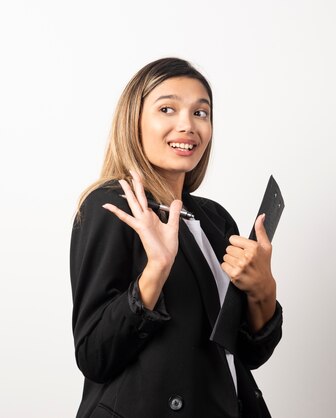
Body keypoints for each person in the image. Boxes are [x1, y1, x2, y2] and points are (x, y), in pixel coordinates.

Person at [69, 57, 283, 418]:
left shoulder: (213, 218)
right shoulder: (113, 205)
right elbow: (94, 355)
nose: (187, 126)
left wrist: (263, 288)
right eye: (167, 109)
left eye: (201, 113)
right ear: (133, 120)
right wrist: (157, 268)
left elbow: (250, 354)